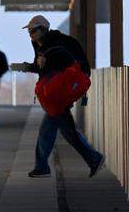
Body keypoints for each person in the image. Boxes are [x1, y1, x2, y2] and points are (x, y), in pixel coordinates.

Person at [20, 15, 104, 180]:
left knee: (48, 128)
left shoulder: (57, 43)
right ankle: (93, 159)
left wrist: (44, 62)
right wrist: (30, 67)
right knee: (66, 129)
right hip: (57, 90)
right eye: (29, 31)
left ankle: (42, 167)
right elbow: (43, 67)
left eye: (33, 30)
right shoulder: (39, 44)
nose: (30, 34)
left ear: (43, 29)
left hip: (63, 89)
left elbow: (66, 64)